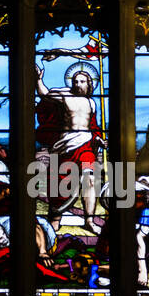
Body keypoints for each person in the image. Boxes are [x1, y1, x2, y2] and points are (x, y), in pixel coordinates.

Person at [35, 61, 106, 233]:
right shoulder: (64, 96)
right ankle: (55, 219)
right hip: (65, 146)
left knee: (90, 178)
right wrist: (38, 80)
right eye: (75, 81)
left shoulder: (92, 103)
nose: (78, 84)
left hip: (86, 146)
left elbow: (94, 126)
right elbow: (45, 95)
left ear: (89, 84)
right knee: (60, 185)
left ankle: (89, 220)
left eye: (82, 81)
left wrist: (99, 140)